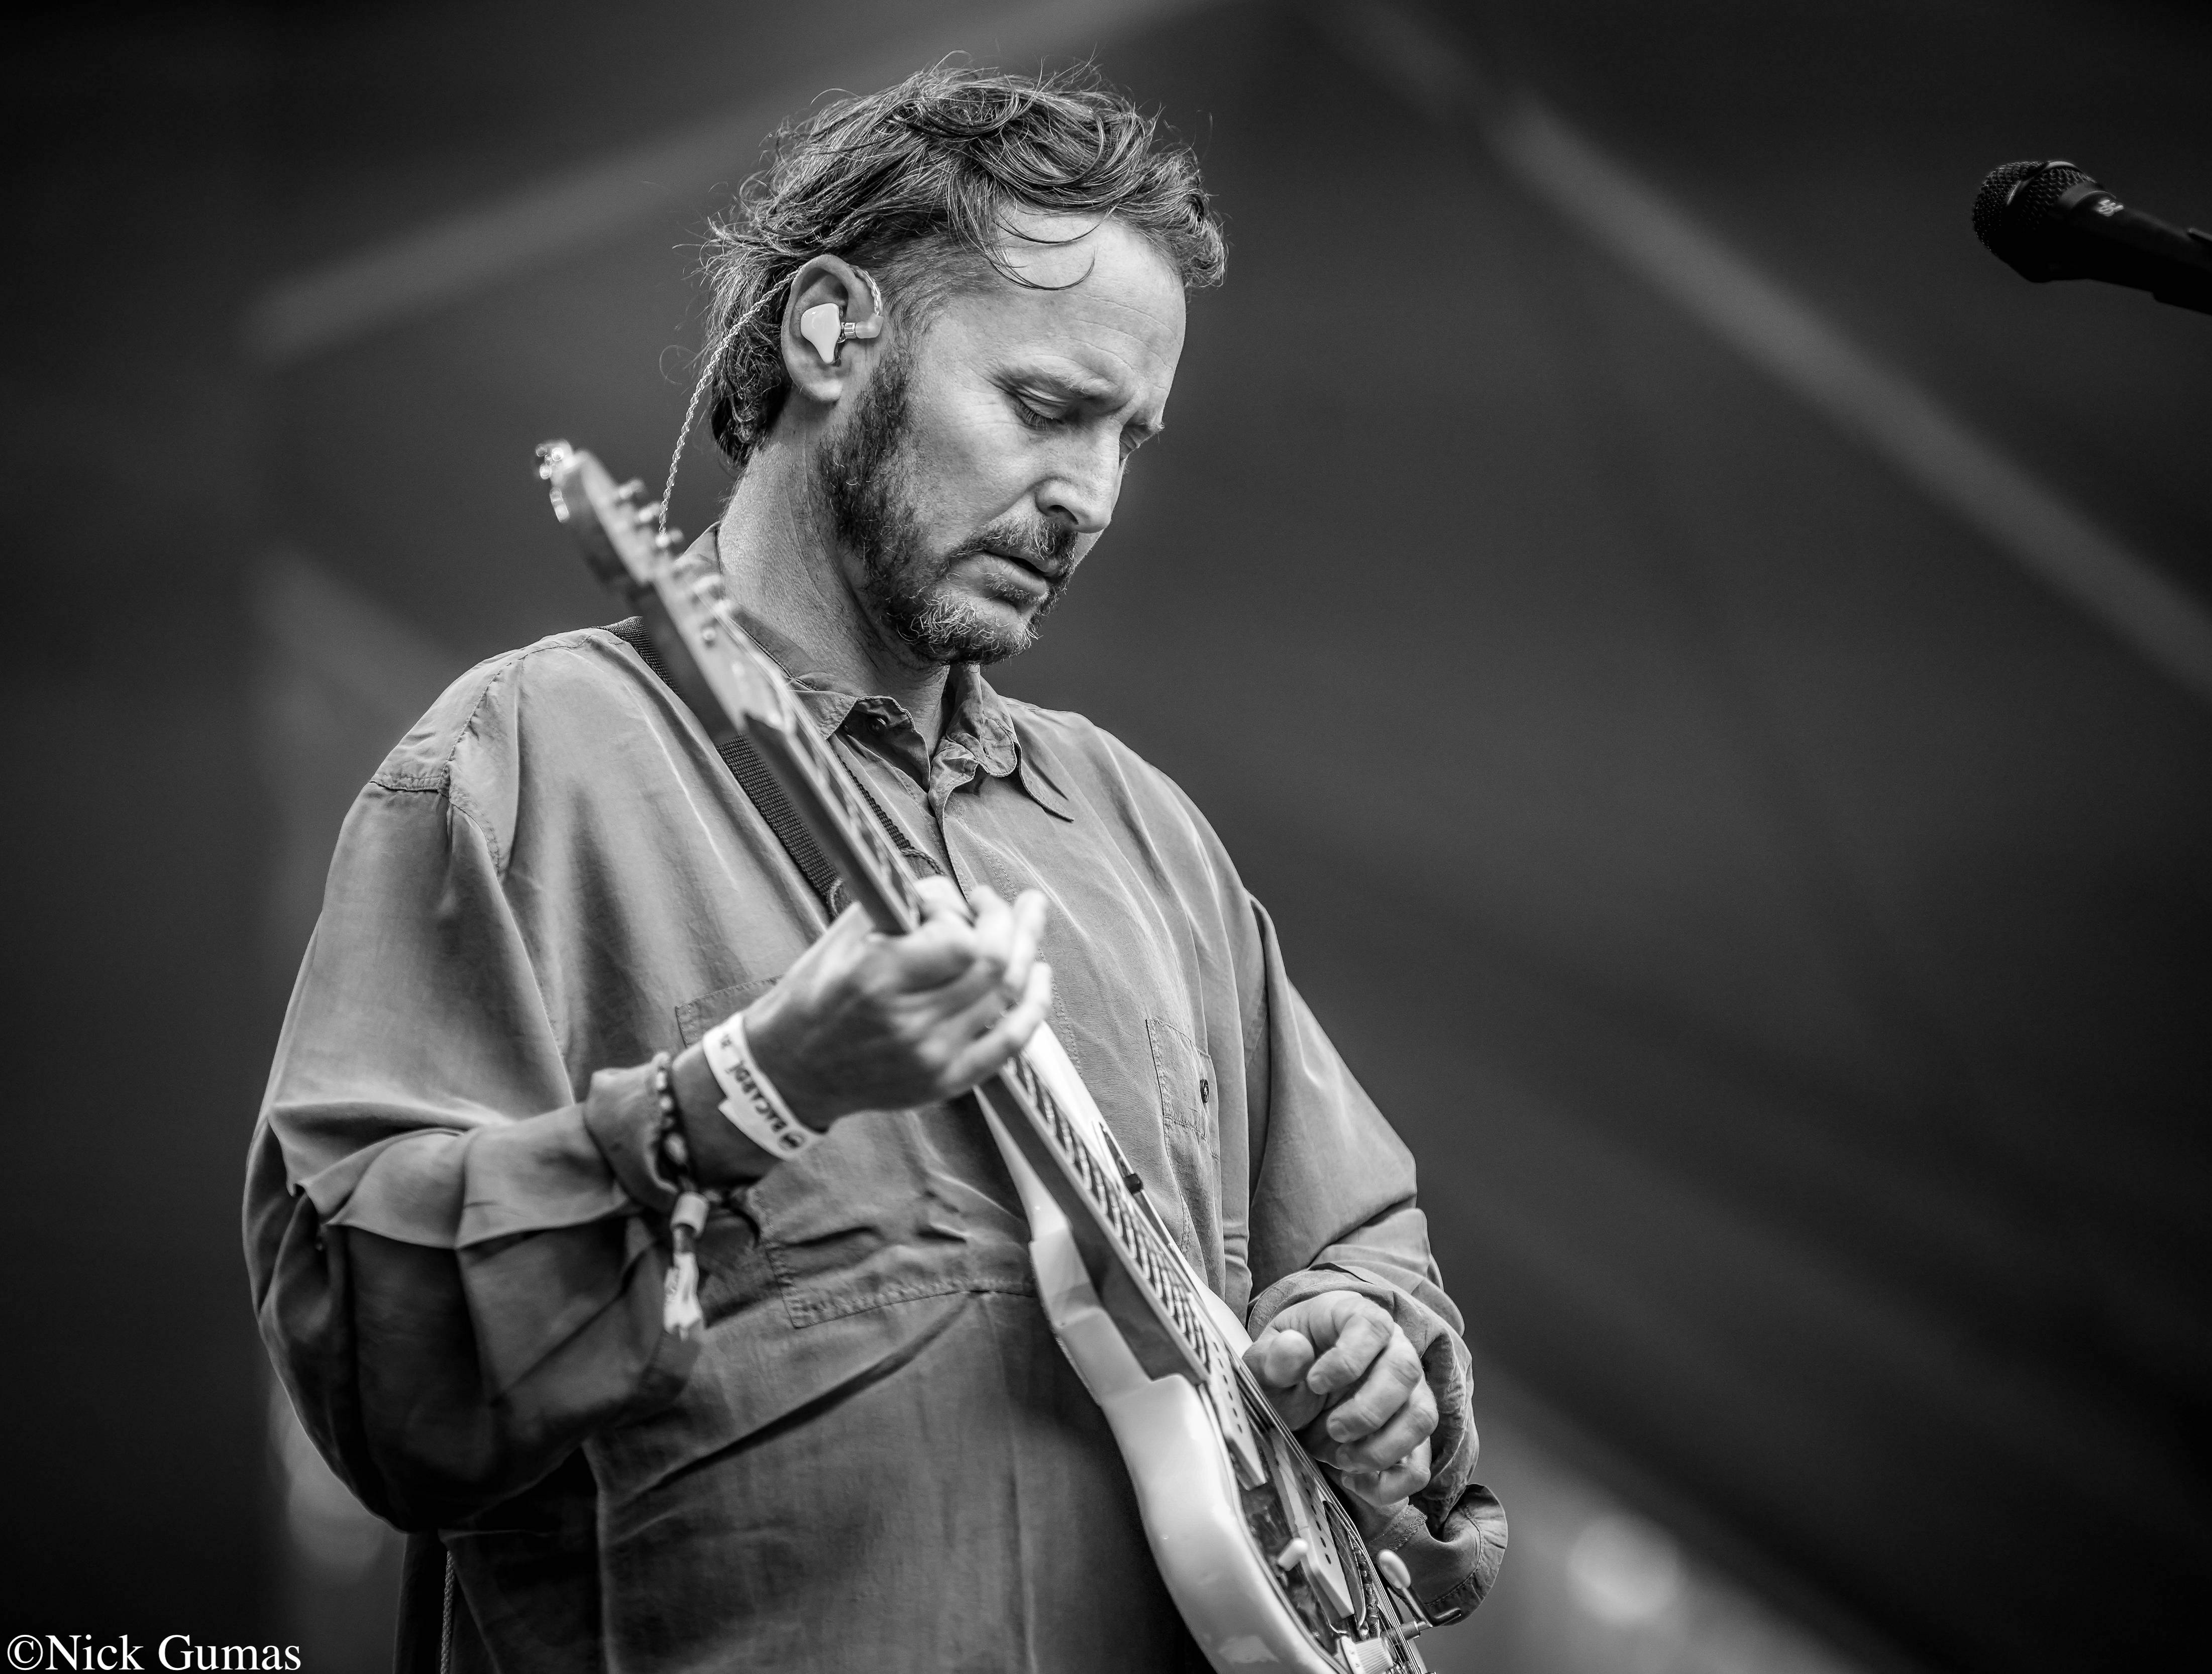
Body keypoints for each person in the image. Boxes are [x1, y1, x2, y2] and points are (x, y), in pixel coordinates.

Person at [244, 62, 1503, 1672]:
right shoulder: (522, 756)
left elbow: (1363, 1242)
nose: (1090, 498)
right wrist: (743, 1098)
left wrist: (1373, 1350)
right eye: (1047, 409)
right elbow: (373, 1363)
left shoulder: (1144, 832)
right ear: (832, 334)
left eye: (1131, 437)